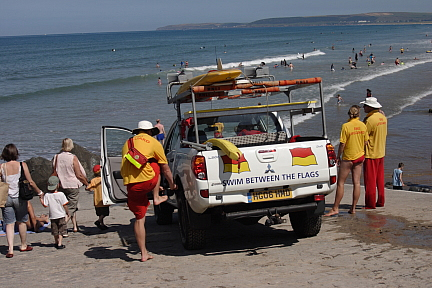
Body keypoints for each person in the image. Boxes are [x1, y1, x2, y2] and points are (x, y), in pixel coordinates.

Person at [121, 120, 177, 262]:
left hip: (131, 186)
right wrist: (172, 185)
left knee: (139, 219)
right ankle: (156, 196)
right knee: (155, 164)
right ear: (150, 131)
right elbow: (165, 168)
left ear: (137, 131)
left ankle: (144, 253)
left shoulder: (127, 143)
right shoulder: (153, 142)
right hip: (148, 181)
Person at [0, 144, 43, 258]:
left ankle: (10, 249)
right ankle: (23, 245)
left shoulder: (2, 167)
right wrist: (39, 192)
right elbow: (31, 182)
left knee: (9, 223)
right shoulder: (22, 165)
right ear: (16, 153)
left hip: (6, 197)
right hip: (20, 197)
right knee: (21, 221)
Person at [325, 105, 369, 216]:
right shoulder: (363, 125)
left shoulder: (346, 126)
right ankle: (353, 208)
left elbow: (342, 143)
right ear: (358, 114)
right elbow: (366, 141)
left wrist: (338, 156)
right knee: (357, 183)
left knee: (341, 183)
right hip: (359, 156)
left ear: (349, 114)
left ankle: (335, 207)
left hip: (348, 157)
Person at [53, 138, 88, 235]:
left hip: (61, 185)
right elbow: (79, 174)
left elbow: (54, 171)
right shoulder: (73, 157)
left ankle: (74, 226)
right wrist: (86, 183)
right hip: (72, 185)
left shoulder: (56, 157)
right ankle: (61, 228)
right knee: (71, 208)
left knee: (66, 207)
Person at [360, 97, 388, 209]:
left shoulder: (369, 120)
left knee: (370, 180)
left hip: (371, 152)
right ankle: (381, 200)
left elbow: (363, 135)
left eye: (365, 106)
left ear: (370, 107)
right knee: (380, 179)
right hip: (381, 151)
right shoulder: (383, 118)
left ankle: (370, 203)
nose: (363, 108)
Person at [40, 176, 69, 249]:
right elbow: (65, 205)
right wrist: (67, 212)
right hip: (61, 215)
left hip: (52, 216)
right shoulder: (61, 194)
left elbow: (45, 205)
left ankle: (56, 241)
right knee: (61, 229)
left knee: (55, 230)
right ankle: (60, 243)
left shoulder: (47, 195)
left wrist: (41, 199)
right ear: (58, 185)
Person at [86, 164, 109, 230]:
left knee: (99, 213)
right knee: (105, 213)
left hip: (96, 200)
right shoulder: (103, 179)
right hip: (103, 199)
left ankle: (102, 224)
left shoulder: (93, 180)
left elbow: (88, 188)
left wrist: (89, 188)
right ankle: (98, 221)